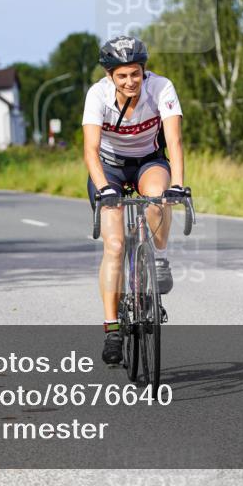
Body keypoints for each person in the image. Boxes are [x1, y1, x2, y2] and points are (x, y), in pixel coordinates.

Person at [82, 36, 187, 365]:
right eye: (122, 76)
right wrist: (104, 188)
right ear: (110, 75)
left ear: (144, 71)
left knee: (159, 196)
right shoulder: (97, 95)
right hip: (109, 167)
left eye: (136, 74)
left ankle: (159, 257)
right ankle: (112, 327)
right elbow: (90, 150)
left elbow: (174, 139)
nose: (130, 82)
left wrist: (179, 184)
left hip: (148, 160)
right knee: (114, 245)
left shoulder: (162, 88)